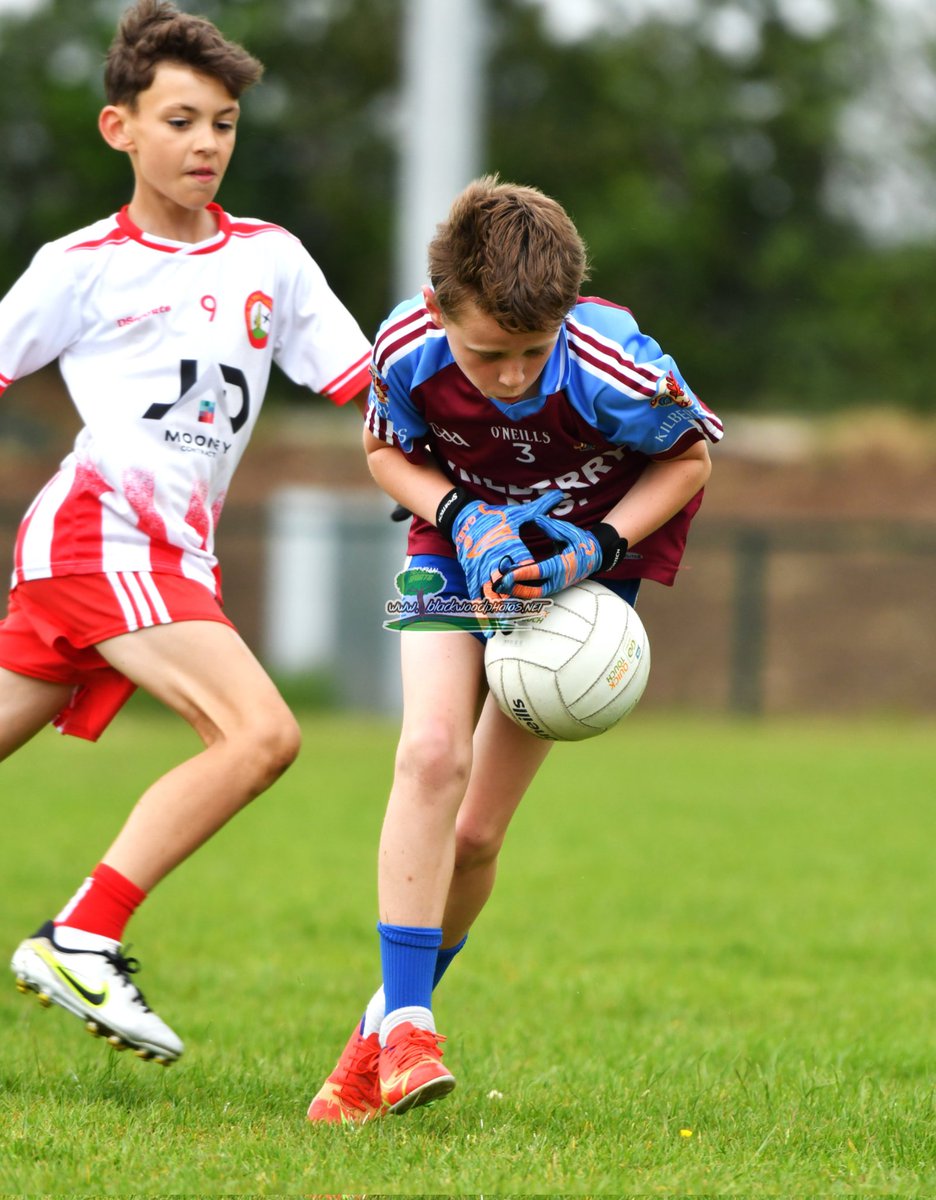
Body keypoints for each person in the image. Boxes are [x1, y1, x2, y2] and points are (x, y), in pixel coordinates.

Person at [306, 175, 724, 1123]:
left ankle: (375, 1033)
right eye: (489, 353)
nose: (513, 379)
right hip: (453, 547)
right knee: (429, 752)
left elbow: (689, 456)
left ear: (567, 316)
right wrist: (462, 514)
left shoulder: (615, 364)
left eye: (534, 353)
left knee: (479, 835)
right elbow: (385, 453)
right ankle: (411, 1027)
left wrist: (595, 547)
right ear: (438, 308)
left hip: (579, 570)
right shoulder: (408, 350)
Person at [0, 0, 371, 1066]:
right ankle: (82, 935)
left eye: (222, 124)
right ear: (120, 129)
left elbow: (371, 389)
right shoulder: (76, 265)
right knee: (262, 734)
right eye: (179, 120)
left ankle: (82, 934)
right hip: (99, 540)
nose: (205, 142)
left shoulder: (273, 260)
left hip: (163, 556)